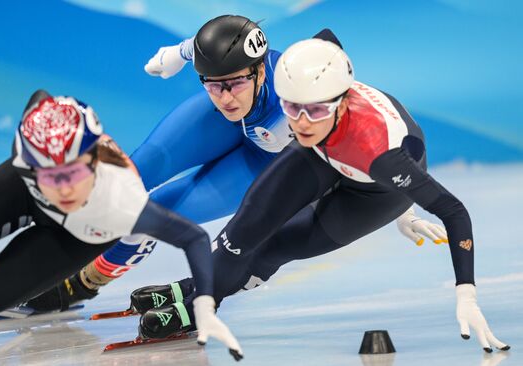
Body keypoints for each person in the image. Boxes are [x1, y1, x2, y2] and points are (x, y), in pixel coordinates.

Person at [23, 16, 446, 313]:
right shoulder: (225, 83)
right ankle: (45, 250)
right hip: (236, 129)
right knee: (129, 176)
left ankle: (82, 283)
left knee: (159, 211)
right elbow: (204, 47)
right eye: (212, 85)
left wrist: (402, 203)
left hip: (262, 161)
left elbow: (366, 137)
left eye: (236, 83)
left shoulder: (299, 93)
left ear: (263, 71)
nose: (225, 96)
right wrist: (180, 53)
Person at [136, 37, 510, 353]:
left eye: (313, 110)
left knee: (275, 246)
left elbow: (454, 210)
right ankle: (197, 289)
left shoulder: (378, 151)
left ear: (342, 101)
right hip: (324, 152)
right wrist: (182, 51)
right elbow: (252, 45)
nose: (300, 122)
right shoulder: (307, 81)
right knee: (243, 229)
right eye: (290, 107)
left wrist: (466, 294)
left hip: (373, 193)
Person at [0, 90, 243, 360]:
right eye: (52, 177)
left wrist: (205, 302)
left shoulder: (122, 200)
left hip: (78, 236)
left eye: (74, 173)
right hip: (26, 189)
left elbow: (193, 238)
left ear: (94, 161)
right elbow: (39, 99)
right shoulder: (32, 154)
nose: (65, 190)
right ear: (29, 166)